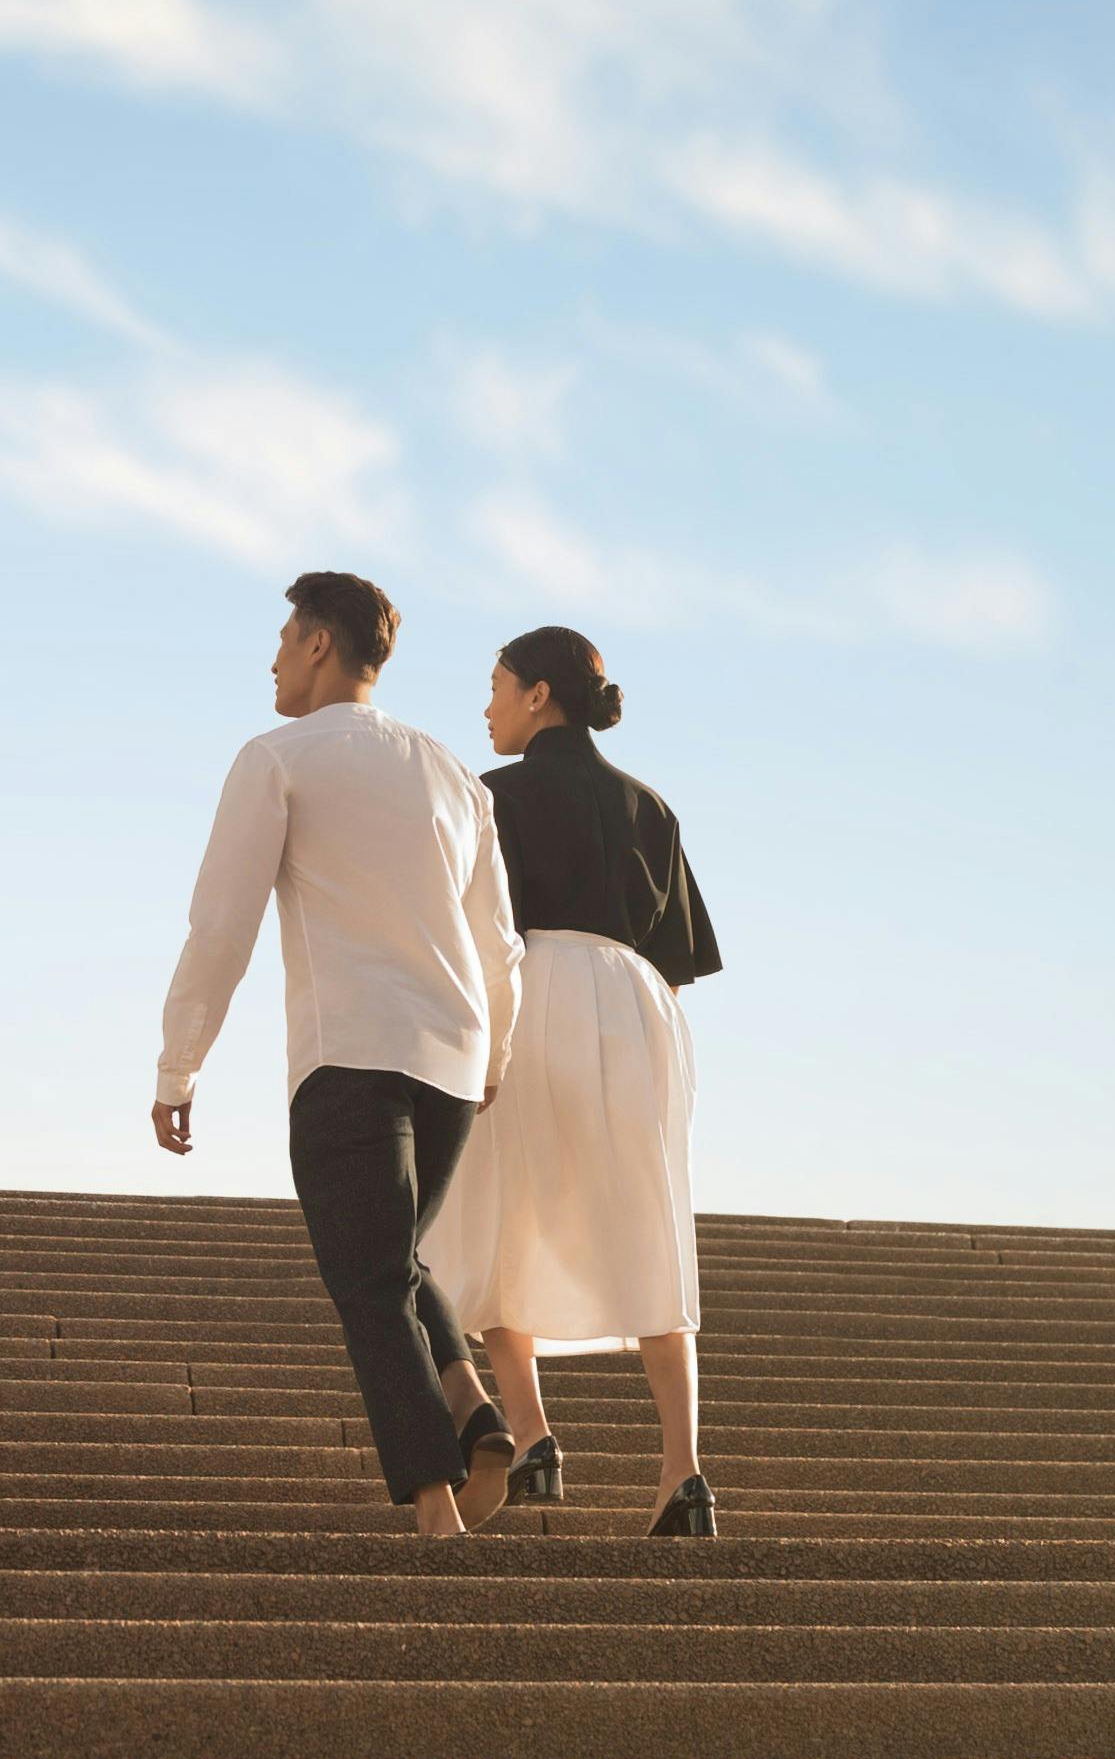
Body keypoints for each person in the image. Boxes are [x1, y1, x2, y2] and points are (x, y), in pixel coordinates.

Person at [154, 571, 526, 1538]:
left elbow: (220, 926)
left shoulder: (277, 758)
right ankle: (474, 1412)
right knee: (393, 1260)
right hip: (452, 1058)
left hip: (349, 1053)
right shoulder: (452, 773)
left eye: (284, 636)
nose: (273, 656)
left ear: (321, 644)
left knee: (366, 1284)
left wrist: (177, 1067)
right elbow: (501, 945)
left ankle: (436, 1508)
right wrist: (492, 1061)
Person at [421, 625, 727, 1536]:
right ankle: (683, 1475)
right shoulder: (651, 806)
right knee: (647, 1224)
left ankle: (533, 1431)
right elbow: (676, 962)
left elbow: (468, 930)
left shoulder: (489, 796)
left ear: (538, 696)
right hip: (633, 1005)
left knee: (488, 1215)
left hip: (527, 989)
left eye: (496, 686)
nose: (487, 706)